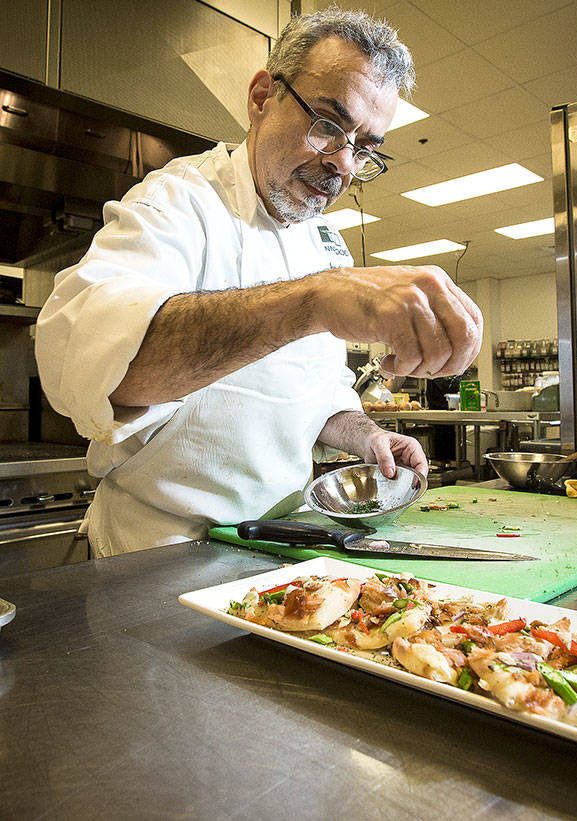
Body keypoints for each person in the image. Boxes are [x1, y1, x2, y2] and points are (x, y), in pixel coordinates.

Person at [35, 7, 483, 557]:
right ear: (260, 98)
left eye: (364, 147)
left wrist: (361, 433)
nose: (342, 164)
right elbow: (89, 366)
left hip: (283, 543)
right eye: (327, 125)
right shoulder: (179, 201)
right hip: (160, 550)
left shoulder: (323, 240)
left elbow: (306, 390)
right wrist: (313, 300)